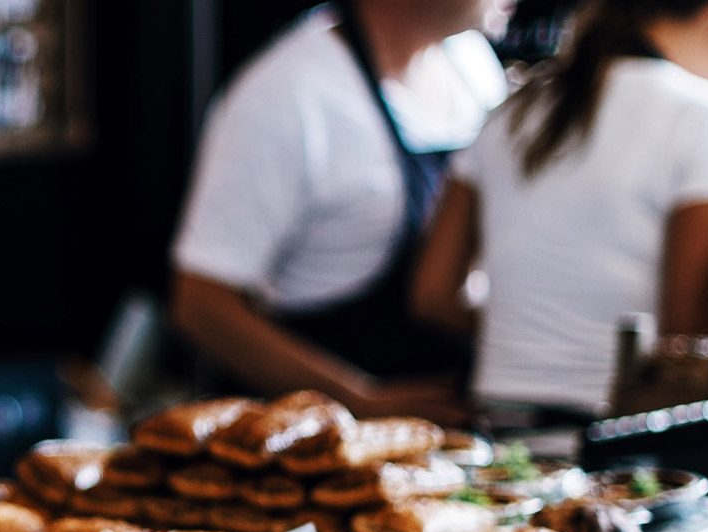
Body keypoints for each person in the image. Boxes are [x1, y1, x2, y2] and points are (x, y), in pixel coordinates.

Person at [411, 0, 708, 425]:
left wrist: (534, 336)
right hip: (616, 440)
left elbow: (433, 296)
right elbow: (685, 337)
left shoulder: (512, 110)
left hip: (498, 428)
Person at [171, 0, 514, 425]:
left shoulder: (473, 67)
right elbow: (201, 305)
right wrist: (360, 402)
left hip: (454, 437)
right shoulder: (287, 95)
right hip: (318, 448)